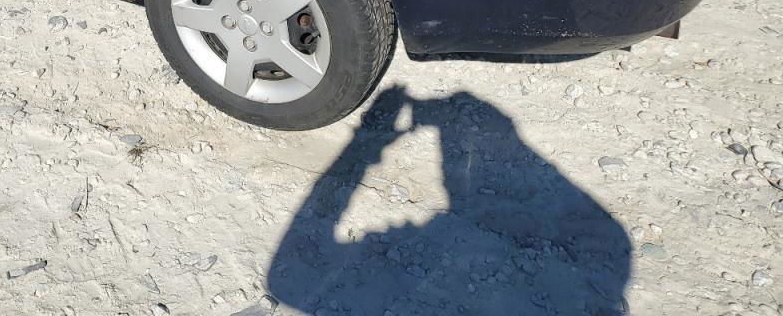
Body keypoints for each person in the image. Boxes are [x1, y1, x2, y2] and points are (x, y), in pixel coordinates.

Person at [267, 85, 632, 315]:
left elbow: (295, 252)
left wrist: (364, 145)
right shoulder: (613, 252)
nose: (398, 226)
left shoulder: (617, 254)